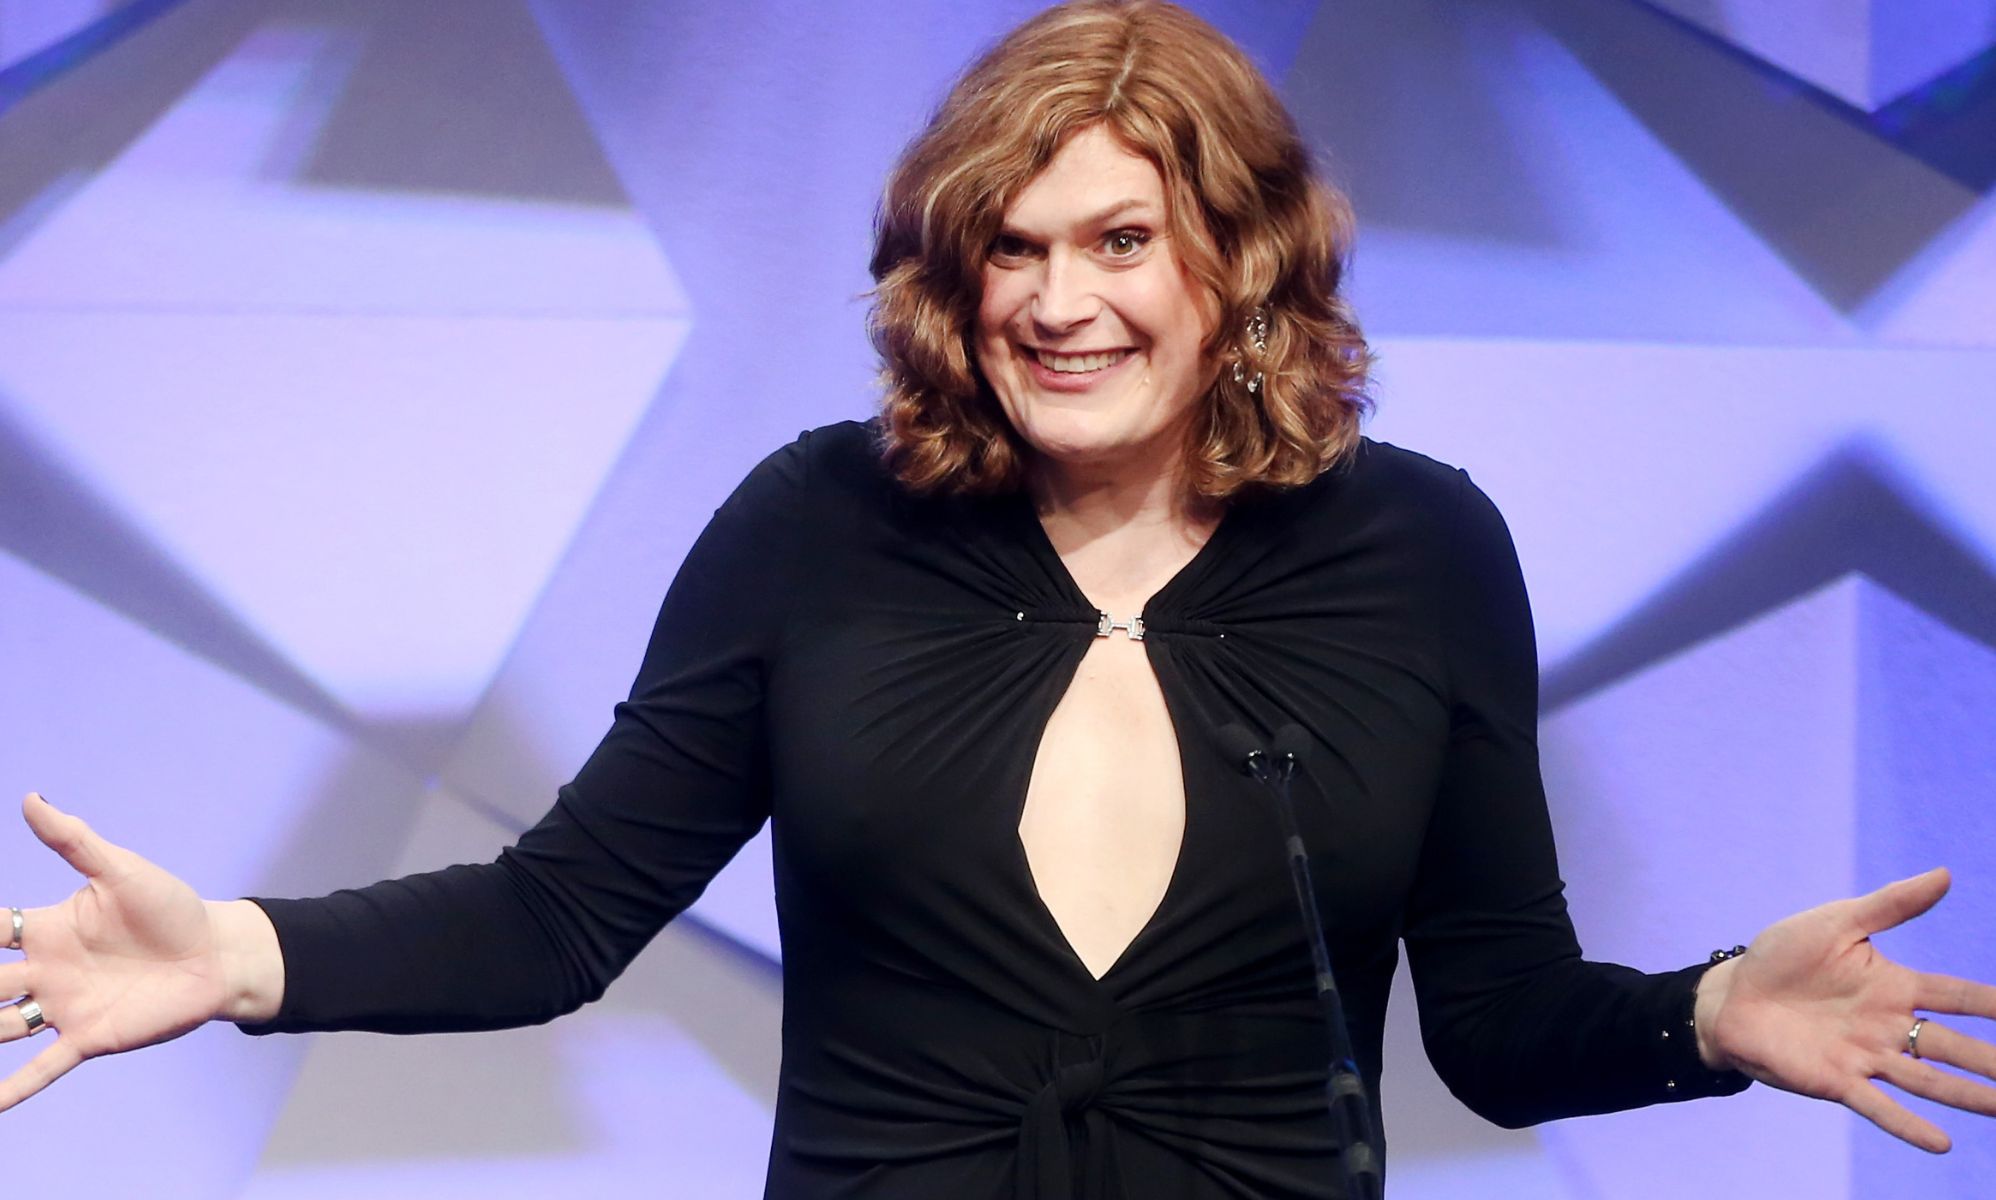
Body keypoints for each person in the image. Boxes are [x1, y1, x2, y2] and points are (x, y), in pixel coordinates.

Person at [4, 2, 1995, 1197]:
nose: (1056, 302)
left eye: (1116, 238)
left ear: (1238, 259)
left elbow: (1492, 1022)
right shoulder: (815, 525)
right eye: (1006, 250)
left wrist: (1709, 1015)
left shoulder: (1421, 551)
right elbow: (555, 914)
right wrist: (234, 956)